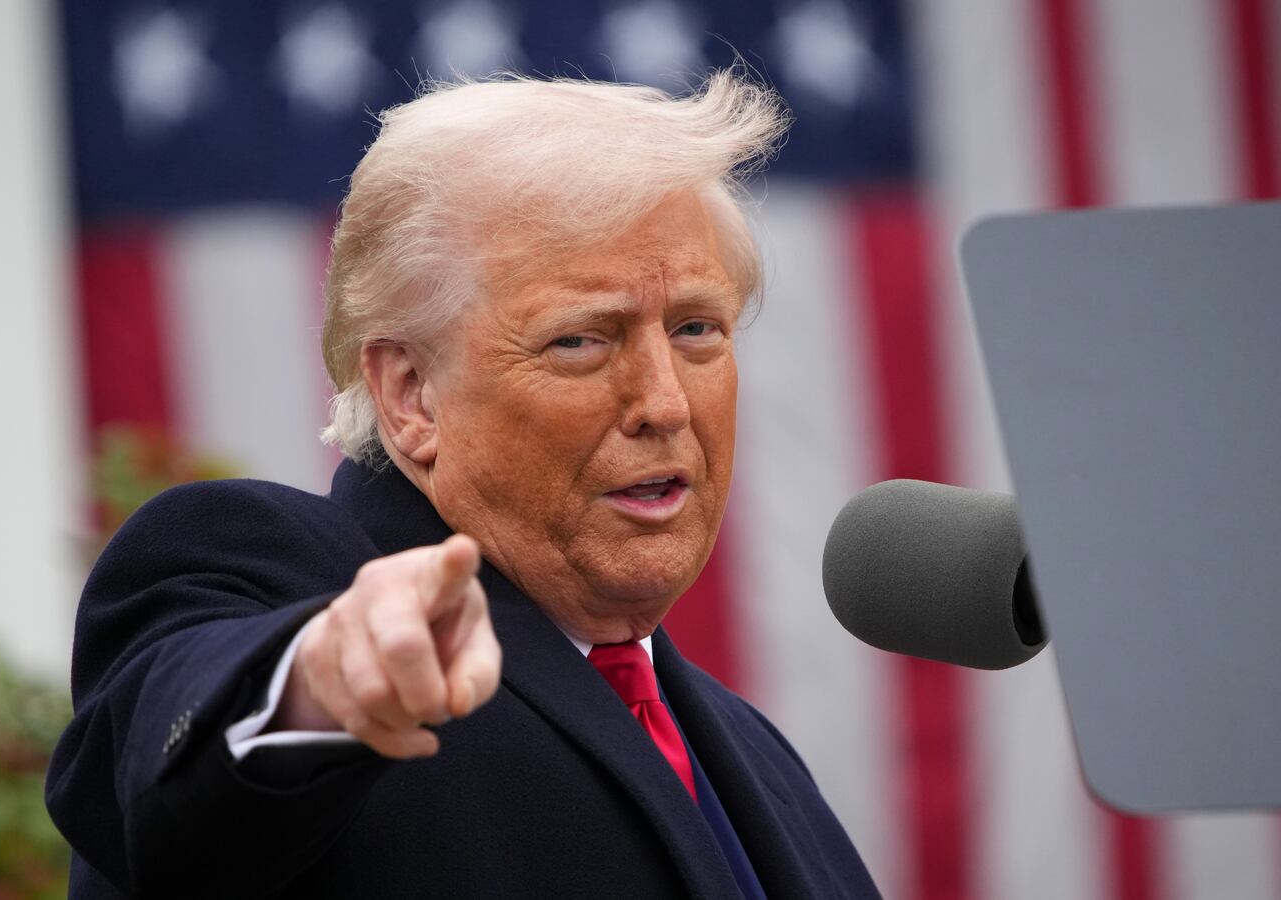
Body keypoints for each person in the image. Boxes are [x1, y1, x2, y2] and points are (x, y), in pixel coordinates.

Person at [45, 70, 881, 899]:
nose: (664, 403)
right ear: (411, 394)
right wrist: (316, 689)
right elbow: (158, 776)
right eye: (581, 341)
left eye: (697, 328)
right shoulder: (287, 590)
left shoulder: (761, 764)